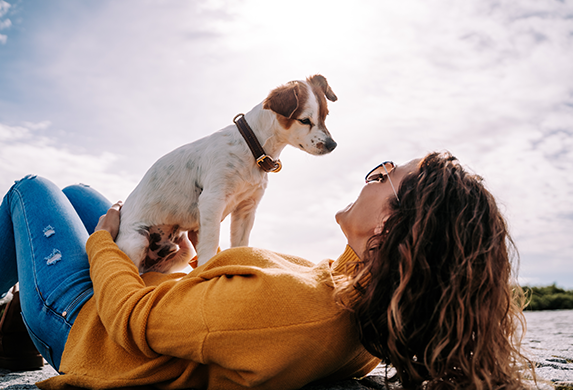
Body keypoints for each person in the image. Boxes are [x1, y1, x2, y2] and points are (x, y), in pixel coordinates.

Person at [0, 152, 532, 390]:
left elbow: (132, 318)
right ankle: (11, 334)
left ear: (390, 229)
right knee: (83, 197)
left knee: (35, 191)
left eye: (386, 174)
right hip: (149, 312)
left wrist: (105, 247)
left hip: (88, 329)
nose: (374, 174)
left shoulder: (289, 312)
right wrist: (180, 264)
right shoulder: (367, 312)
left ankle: (29, 323)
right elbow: (212, 328)